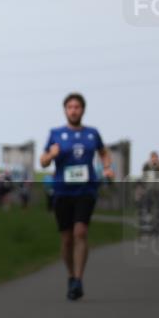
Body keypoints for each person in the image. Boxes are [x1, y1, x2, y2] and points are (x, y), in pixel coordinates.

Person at [39, 92, 115, 301]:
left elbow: (104, 152)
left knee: (80, 232)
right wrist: (51, 155)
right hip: (63, 191)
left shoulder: (92, 133)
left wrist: (107, 167)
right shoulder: (55, 134)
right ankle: (71, 276)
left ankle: (79, 280)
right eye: (70, 107)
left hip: (86, 190)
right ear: (65, 110)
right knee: (66, 239)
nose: (73, 111)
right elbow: (43, 161)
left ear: (83, 110)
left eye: (77, 107)